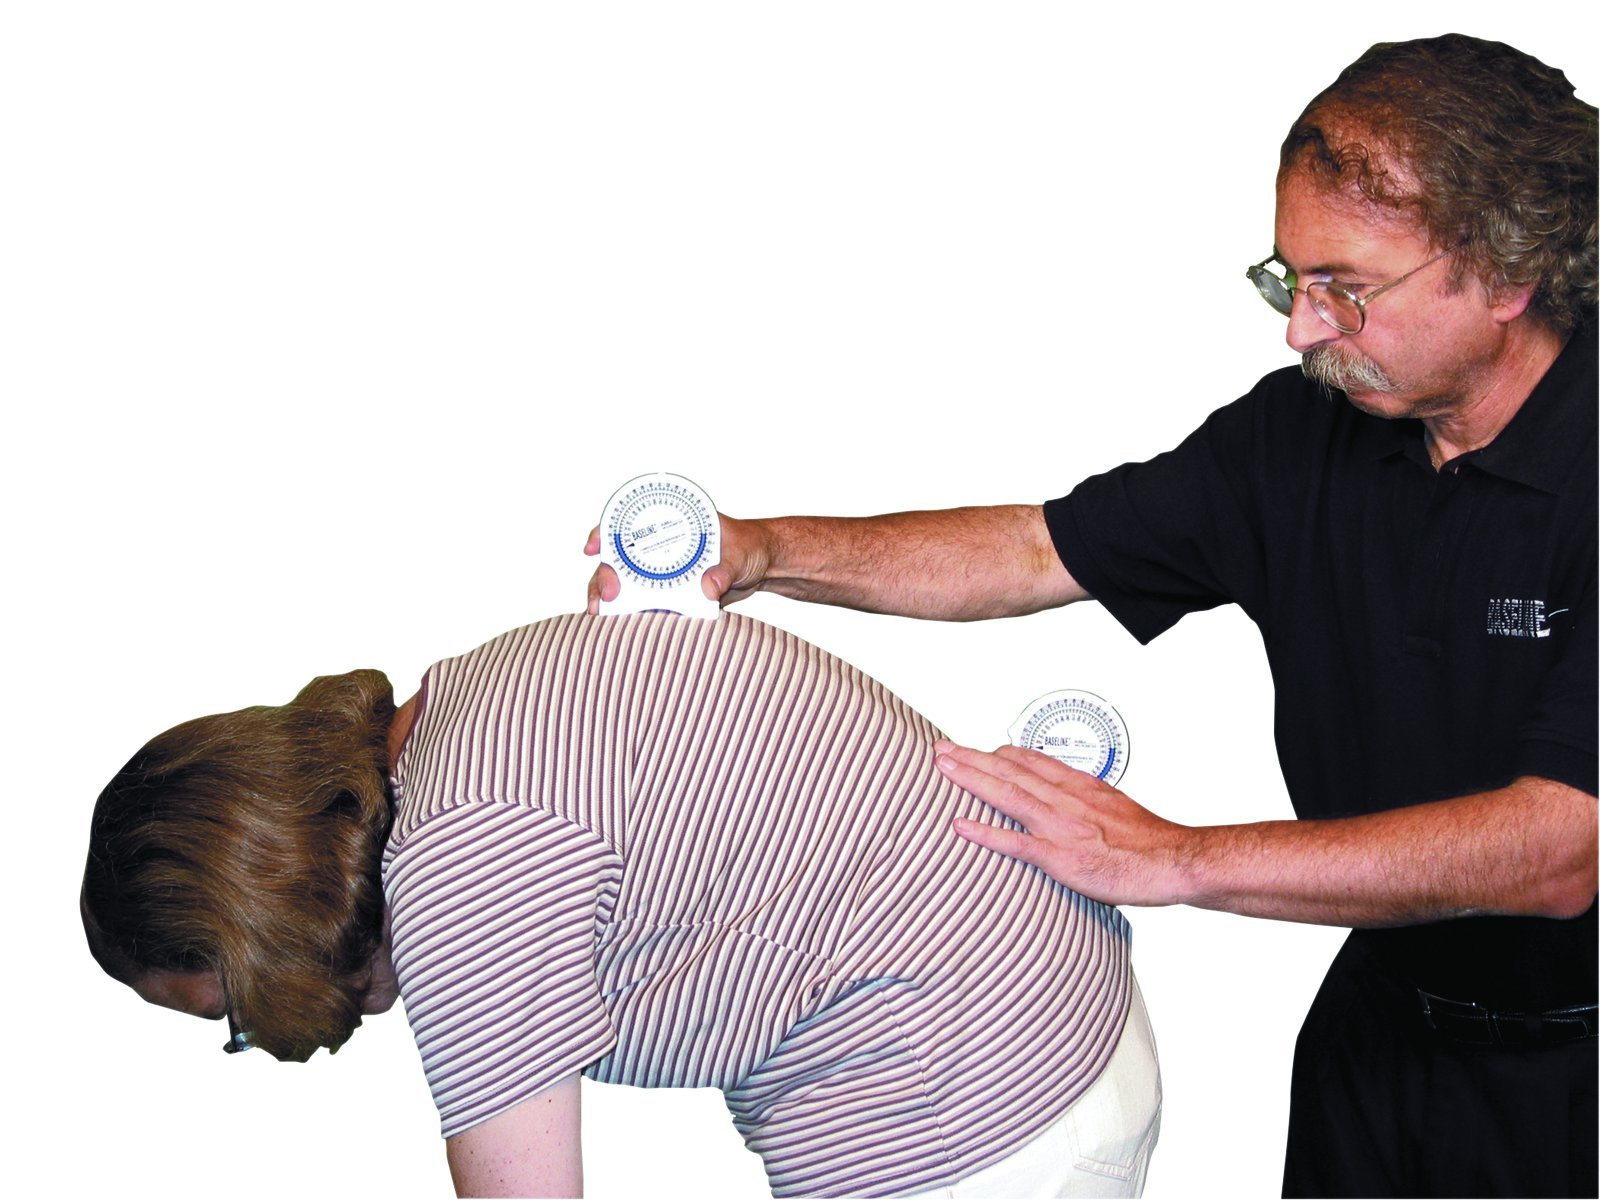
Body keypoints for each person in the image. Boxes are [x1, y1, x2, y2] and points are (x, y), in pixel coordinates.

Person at [586, 34, 1597, 1198]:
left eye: (1344, 289)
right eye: (1287, 279)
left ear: (1506, 270)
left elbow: (1559, 848)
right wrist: (764, 550)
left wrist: (1173, 859)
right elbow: (1036, 549)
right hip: (1378, 1045)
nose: (1301, 329)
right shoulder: (1302, 435)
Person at [83, 609, 1161, 1199]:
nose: (279, 1039)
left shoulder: (456, 871)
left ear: (264, 918)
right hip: (1053, 1022)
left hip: (972, 1116)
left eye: (238, 1010)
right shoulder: (464, 706)